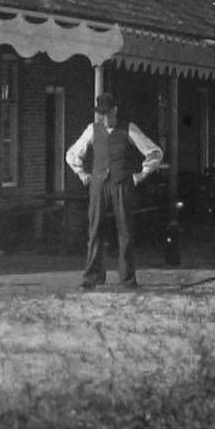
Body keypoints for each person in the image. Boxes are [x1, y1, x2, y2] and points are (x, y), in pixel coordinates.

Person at [66, 93, 163, 291]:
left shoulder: (128, 128)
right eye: (102, 114)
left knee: (125, 231)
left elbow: (154, 152)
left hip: (121, 184)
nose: (106, 118)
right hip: (99, 185)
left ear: (115, 110)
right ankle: (92, 277)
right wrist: (82, 174)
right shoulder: (92, 130)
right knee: (94, 230)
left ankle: (128, 279)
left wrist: (142, 174)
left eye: (108, 113)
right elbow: (73, 154)